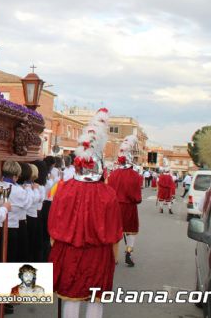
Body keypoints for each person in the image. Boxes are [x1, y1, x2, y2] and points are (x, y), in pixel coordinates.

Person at [49, 109, 123, 318]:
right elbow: (115, 232)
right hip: (99, 254)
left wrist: (56, 248)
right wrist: (114, 257)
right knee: (95, 298)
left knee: (71, 295)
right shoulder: (108, 194)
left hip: (69, 251)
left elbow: (53, 227)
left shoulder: (65, 188)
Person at [107, 135, 142, 267]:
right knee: (131, 231)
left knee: (114, 230)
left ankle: (113, 256)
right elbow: (137, 197)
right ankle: (129, 252)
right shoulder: (135, 175)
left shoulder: (113, 174)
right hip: (129, 207)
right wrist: (136, 200)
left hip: (115, 207)